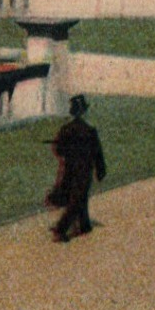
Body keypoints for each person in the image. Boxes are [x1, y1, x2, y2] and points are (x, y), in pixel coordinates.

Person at [45, 93, 107, 242]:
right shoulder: (90, 131)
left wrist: (66, 155)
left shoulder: (66, 129)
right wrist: (100, 170)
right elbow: (97, 152)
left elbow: (58, 149)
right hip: (84, 170)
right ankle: (61, 229)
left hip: (69, 169)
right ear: (83, 111)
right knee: (78, 198)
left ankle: (84, 225)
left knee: (79, 196)